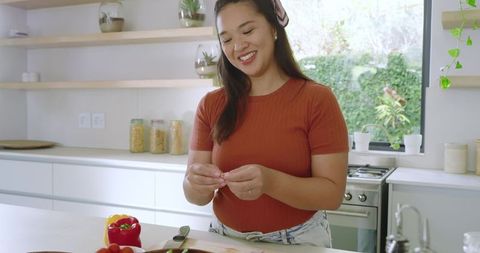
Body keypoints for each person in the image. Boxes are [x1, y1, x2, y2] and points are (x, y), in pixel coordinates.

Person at [183, 0, 348, 247]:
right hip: (225, 239)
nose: (238, 46)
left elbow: (332, 195)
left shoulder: (316, 100)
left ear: (273, 27)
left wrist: (270, 182)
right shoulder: (210, 104)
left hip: (297, 242)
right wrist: (195, 184)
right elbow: (194, 194)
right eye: (226, 39)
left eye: (247, 31)